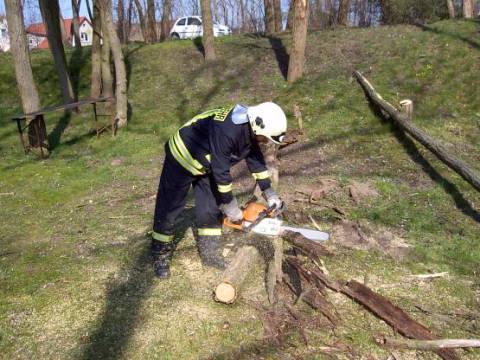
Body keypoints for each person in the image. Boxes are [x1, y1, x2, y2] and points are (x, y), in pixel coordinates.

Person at [151, 102, 287, 278]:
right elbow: (221, 172)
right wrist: (231, 206)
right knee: (170, 206)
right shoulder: (227, 130)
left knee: (210, 207)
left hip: (207, 161)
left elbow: (255, 160)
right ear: (256, 124)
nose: (266, 141)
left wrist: (269, 192)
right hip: (183, 155)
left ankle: (210, 253)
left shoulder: (248, 130)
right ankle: (160, 253)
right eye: (265, 137)